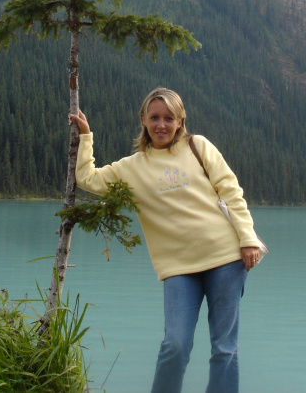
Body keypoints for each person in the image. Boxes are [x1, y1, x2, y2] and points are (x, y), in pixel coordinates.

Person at [69, 87, 260, 393]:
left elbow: (231, 192)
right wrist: (86, 136)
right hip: (177, 269)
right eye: (155, 117)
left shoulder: (199, 147)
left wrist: (248, 238)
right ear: (143, 120)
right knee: (175, 345)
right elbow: (87, 179)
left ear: (180, 120)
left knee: (224, 348)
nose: (161, 124)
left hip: (225, 259)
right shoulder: (132, 167)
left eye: (169, 118)